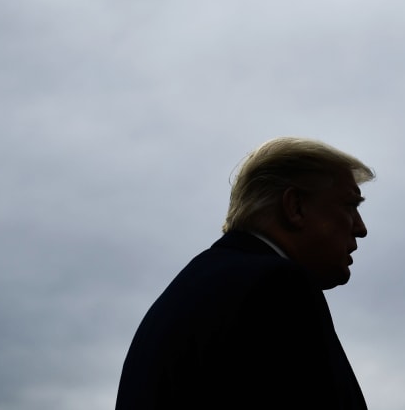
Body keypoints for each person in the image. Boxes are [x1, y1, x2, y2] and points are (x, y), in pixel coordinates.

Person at [115, 137, 374, 410]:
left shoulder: (190, 291)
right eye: (351, 205)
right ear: (295, 206)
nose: (361, 228)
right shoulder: (278, 287)